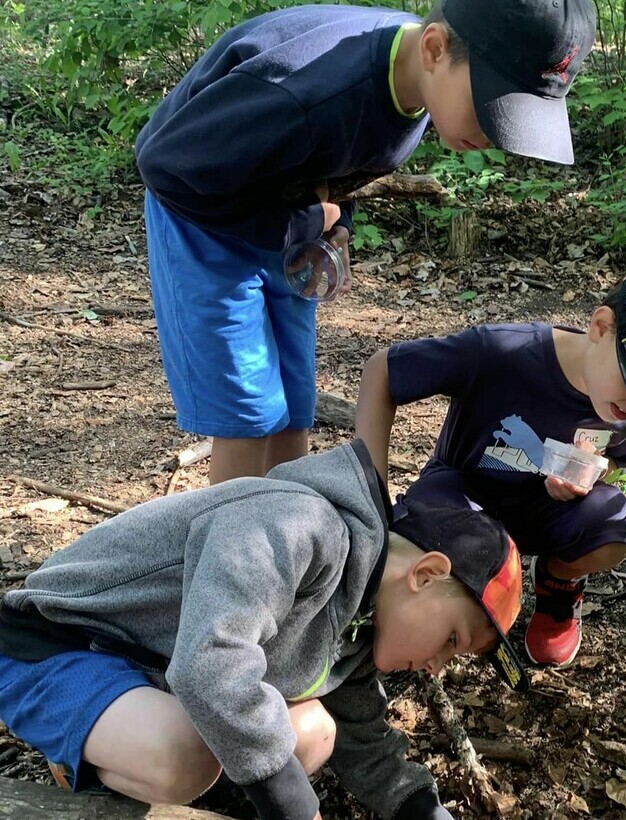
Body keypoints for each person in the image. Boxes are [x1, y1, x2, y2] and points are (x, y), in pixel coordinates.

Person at [0, 440, 528, 820]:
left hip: (150, 675)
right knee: (182, 755)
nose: (437, 667)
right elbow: (210, 663)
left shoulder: (357, 624)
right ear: (426, 573)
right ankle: (84, 766)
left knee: (317, 733)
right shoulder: (299, 524)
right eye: (452, 640)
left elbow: (367, 746)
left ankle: (161, 778)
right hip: (58, 646)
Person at [135, 0, 597, 485]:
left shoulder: (415, 80)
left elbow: (337, 161)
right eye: (490, 109)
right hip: (203, 220)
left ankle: (285, 533)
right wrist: (306, 218)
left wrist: (337, 226)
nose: (494, 136)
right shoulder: (307, 91)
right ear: (436, 48)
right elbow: (164, 163)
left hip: (281, 223)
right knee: (249, 416)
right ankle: (232, 549)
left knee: (293, 407)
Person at [356, 254, 626, 668]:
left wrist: (590, 474)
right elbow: (383, 371)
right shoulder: (503, 352)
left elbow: (616, 461)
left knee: (617, 524)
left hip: (545, 511)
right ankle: (425, 622)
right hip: (459, 497)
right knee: (431, 562)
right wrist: (370, 503)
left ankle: (557, 583)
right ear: (600, 327)